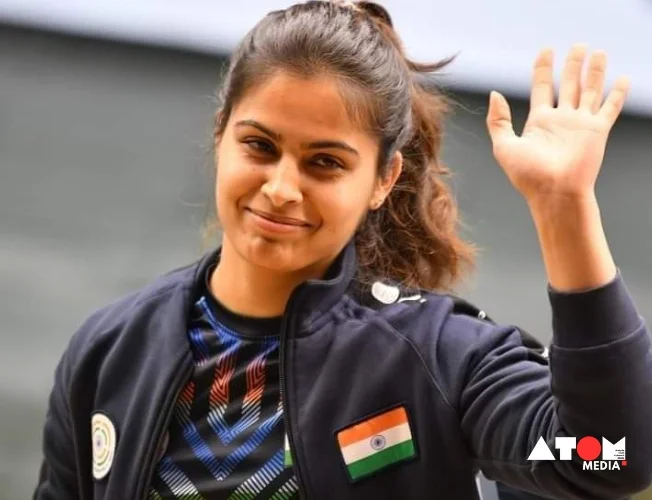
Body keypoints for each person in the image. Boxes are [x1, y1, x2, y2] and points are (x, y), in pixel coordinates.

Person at [34, 1, 651, 499]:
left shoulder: (438, 359)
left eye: (324, 162)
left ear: (383, 180)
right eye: (259, 146)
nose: (280, 188)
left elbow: (608, 457)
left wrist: (563, 208)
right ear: (220, 135)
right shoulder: (110, 350)